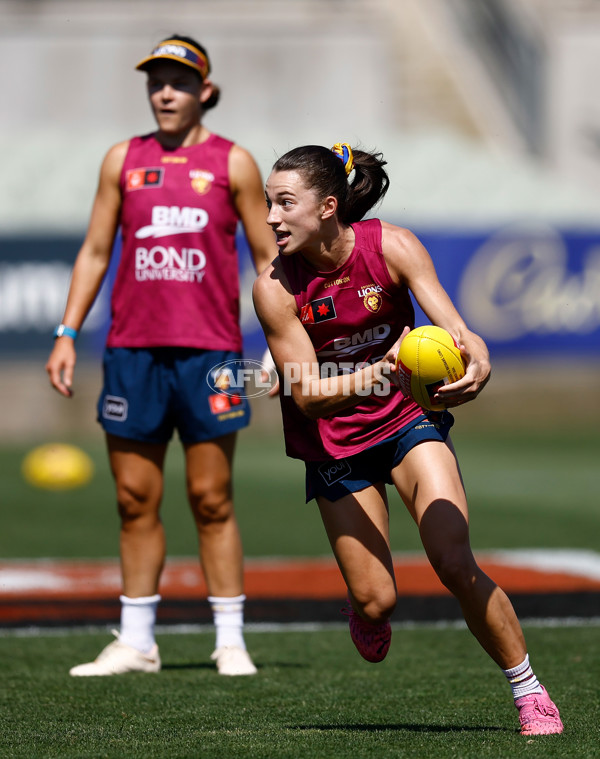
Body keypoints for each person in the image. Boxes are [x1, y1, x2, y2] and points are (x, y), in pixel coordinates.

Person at [252, 142, 563, 734]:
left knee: (452, 557)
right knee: (378, 600)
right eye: (270, 202)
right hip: (333, 440)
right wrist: (382, 368)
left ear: (328, 206)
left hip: (406, 421)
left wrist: (477, 363)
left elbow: (458, 330)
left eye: (284, 202)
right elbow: (309, 394)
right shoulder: (274, 288)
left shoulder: (392, 245)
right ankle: (367, 612)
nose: (270, 216)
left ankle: (529, 691)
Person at [46, 35, 276, 677]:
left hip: (211, 354)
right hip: (131, 352)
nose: (165, 92)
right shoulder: (122, 158)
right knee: (133, 498)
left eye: (179, 80)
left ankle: (230, 638)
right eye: (156, 81)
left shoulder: (235, 163)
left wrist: (277, 346)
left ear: (206, 90)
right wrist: (67, 332)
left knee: (211, 497)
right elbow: (95, 251)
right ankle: (137, 640)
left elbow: (267, 260)